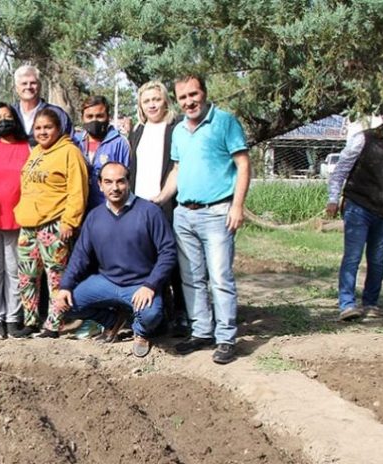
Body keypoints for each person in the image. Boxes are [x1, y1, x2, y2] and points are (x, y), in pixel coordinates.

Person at [163, 74, 250, 365]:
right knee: (191, 278)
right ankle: (201, 331)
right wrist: (161, 198)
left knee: (220, 277)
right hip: (184, 214)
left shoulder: (224, 122)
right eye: (183, 97)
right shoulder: (177, 131)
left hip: (217, 213)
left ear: (204, 93)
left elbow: (242, 164)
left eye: (193, 94)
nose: (189, 101)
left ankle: (226, 337)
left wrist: (237, 206)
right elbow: (177, 169)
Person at [55, 162, 177, 357]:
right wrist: (65, 287)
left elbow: (168, 252)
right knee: (65, 305)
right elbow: (80, 256)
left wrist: (151, 285)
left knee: (151, 314)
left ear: (128, 183)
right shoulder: (95, 217)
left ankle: (141, 331)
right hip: (106, 282)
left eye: (120, 182)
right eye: (108, 182)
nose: (115, 187)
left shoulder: (149, 212)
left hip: (141, 284)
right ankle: (112, 321)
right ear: (100, 185)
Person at [326, 106, 383, 320]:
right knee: (352, 256)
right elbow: (341, 169)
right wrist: (333, 198)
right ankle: (347, 304)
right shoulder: (365, 139)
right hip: (358, 205)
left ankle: (370, 303)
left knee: (377, 260)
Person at [12, 107, 89, 338]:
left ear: (58, 128)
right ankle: (31, 320)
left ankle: (54, 324)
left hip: (54, 224)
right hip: (29, 224)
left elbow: (78, 190)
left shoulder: (69, 152)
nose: (43, 132)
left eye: (48, 127)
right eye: (38, 128)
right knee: (27, 275)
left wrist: (70, 222)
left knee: (55, 277)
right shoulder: (35, 152)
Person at [128, 80, 188, 337]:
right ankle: (159, 312)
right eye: (146, 101)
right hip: (140, 204)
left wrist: (164, 196)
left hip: (166, 203)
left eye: (156, 99)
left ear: (165, 101)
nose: (152, 104)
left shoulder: (176, 129)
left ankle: (183, 313)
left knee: (172, 258)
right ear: (141, 105)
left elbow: (178, 168)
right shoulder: (138, 131)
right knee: (147, 259)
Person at [0, 102, 31, 340]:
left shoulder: (28, 147)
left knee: (14, 271)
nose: (3, 120)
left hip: (19, 220)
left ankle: (13, 318)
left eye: (8, 116)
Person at [73, 95, 130, 212]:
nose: (94, 120)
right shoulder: (75, 142)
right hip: (78, 211)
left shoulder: (120, 143)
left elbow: (126, 181)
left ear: (108, 117)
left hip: (108, 210)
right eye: (89, 116)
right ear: (82, 118)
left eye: (99, 116)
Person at [11, 64, 71, 142]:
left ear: (40, 86)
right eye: (24, 83)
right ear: (16, 88)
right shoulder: (9, 113)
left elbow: (69, 143)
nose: (29, 87)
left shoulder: (57, 114)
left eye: (33, 83)